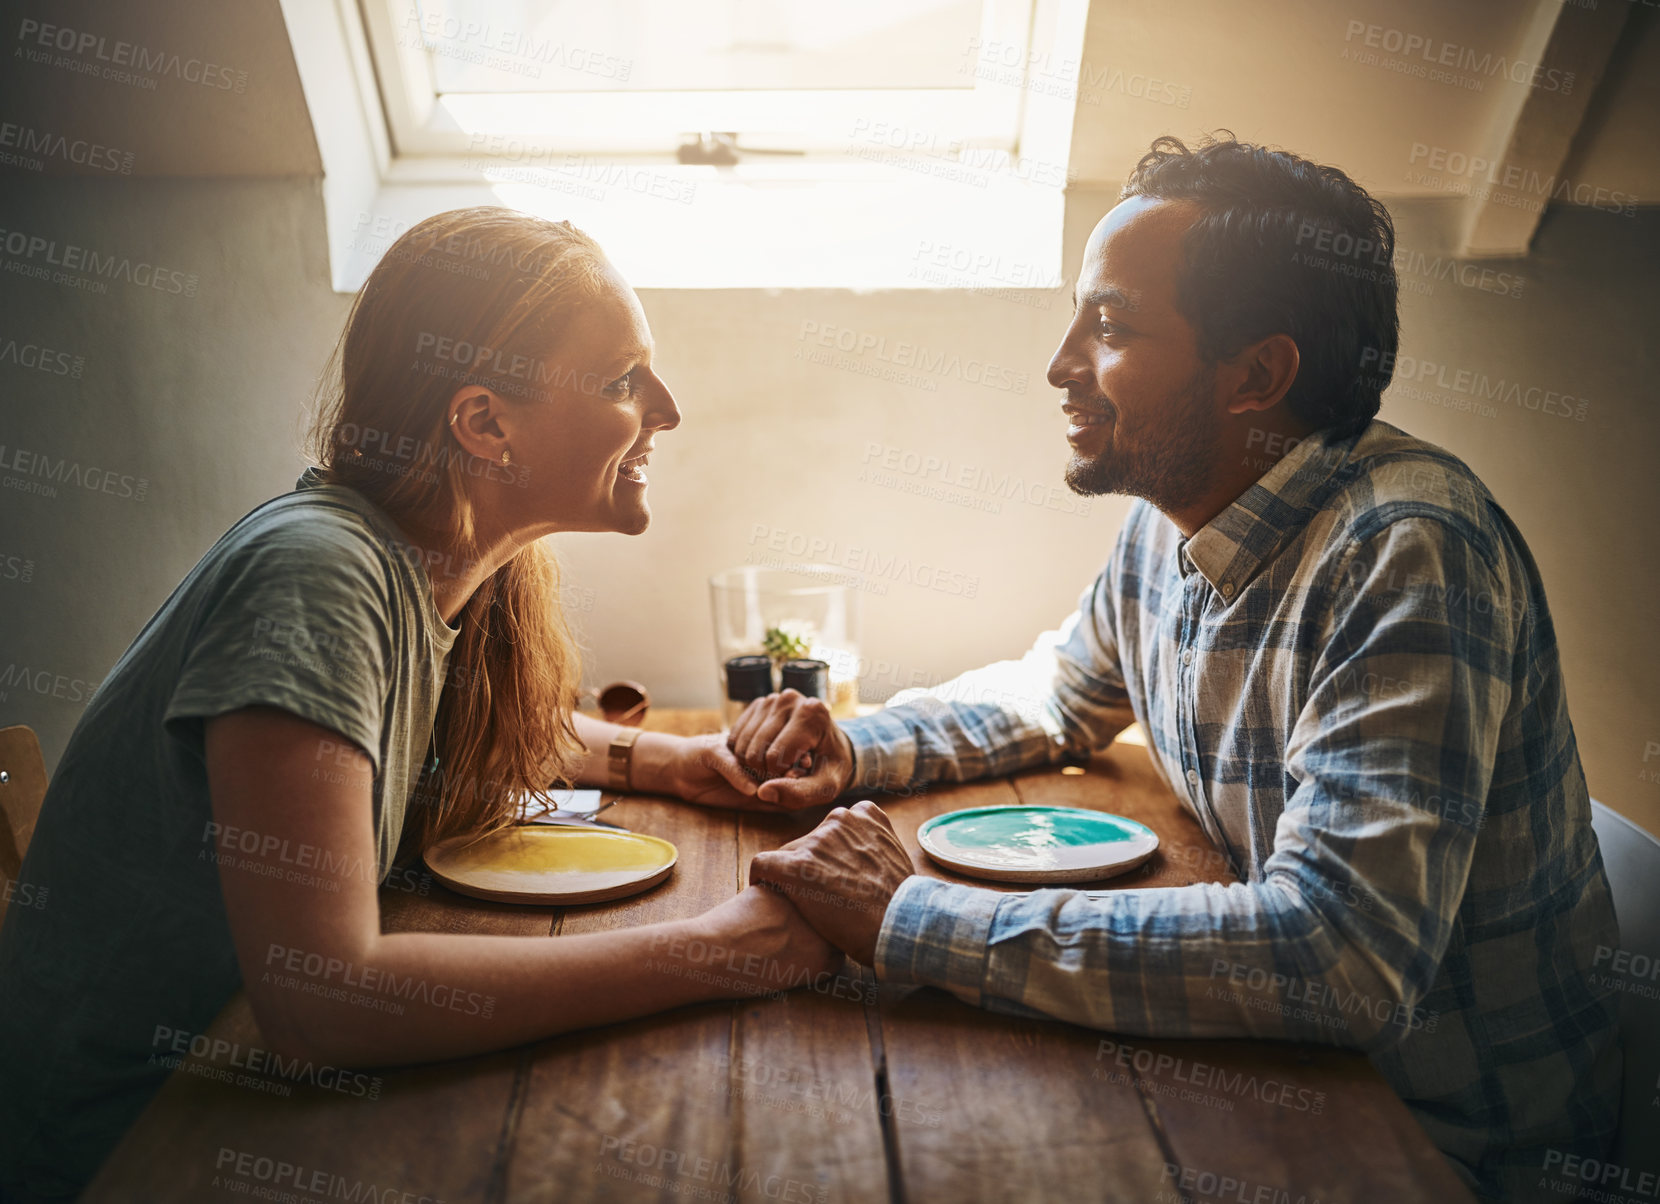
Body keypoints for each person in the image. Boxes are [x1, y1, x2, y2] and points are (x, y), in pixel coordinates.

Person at [731, 136, 1622, 1203]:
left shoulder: (1412, 554)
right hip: (1280, 1076)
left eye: (1109, 326)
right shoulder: (1177, 517)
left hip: (1444, 1151)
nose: (1061, 362)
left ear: (1256, 376)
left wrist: (908, 918)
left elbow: (1338, 958)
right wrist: (854, 749)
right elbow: (1062, 691)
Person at [0, 208, 835, 1204]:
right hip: (124, 1150)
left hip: (230, 1102)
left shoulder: (412, 563)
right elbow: (321, 1005)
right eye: (622, 379)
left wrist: (671, 763)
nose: (666, 407)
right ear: (484, 422)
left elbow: (419, 730)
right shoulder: (315, 577)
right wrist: (722, 949)